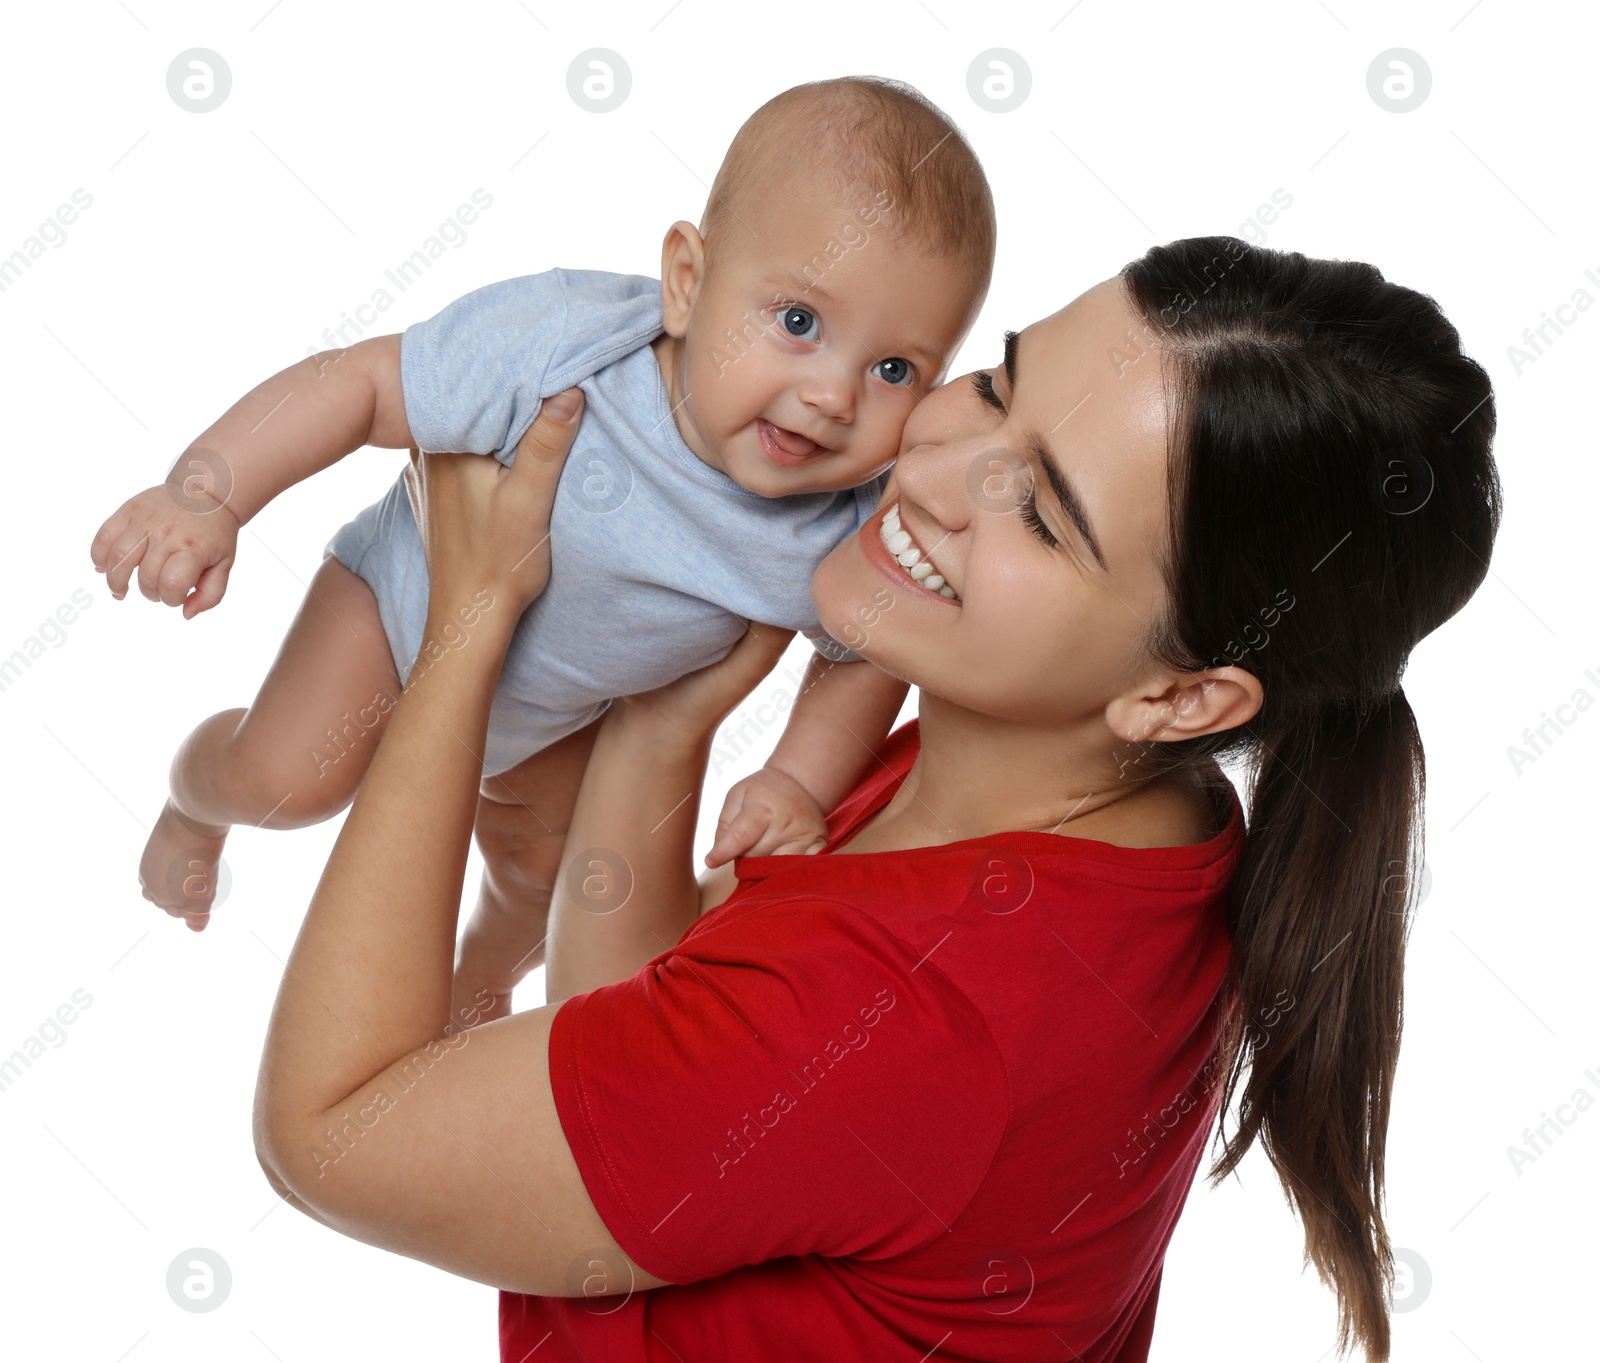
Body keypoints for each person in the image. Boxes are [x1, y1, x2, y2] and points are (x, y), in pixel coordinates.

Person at [252, 238, 1500, 1363]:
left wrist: (471, 625)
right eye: (1001, 386)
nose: (937, 464)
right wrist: (661, 728)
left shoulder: (926, 1002)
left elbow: (331, 1138)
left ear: (1184, 698)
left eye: (1043, 516)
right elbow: (644, 1055)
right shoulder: (1084, 801)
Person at [86, 77, 995, 1026]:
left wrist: (795, 779)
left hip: (557, 720)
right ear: (688, 280)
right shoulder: (569, 345)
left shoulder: (839, 523)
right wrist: (209, 490)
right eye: (798, 323)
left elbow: (863, 652)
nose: (834, 396)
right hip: (393, 618)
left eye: (896, 370)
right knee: (287, 780)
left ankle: (482, 970)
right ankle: (196, 802)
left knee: (550, 872)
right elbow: (360, 384)